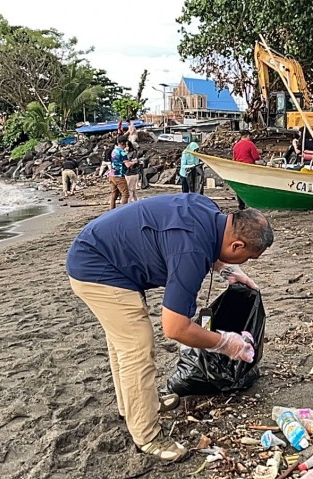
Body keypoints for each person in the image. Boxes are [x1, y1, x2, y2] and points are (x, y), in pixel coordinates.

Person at [66, 194, 274, 462]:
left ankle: (135, 407)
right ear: (236, 245)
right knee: (136, 349)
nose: (246, 262)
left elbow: (188, 238)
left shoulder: (208, 209)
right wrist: (226, 343)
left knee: (124, 342)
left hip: (99, 249)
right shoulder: (191, 253)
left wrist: (224, 268)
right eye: (248, 258)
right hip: (97, 269)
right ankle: (147, 436)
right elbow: (175, 327)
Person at [232, 130, 260, 209]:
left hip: (239, 169)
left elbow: (234, 159)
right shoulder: (250, 144)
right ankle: (252, 204)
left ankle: (241, 205)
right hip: (249, 169)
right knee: (251, 186)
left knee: (240, 187)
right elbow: (256, 157)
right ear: (248, 136)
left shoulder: (236, 146)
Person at [109, 137, 135, 209]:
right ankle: (122, 210)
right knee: (125, 194)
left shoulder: (114, 151)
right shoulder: (122, 152)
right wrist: (134, 162)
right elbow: (128, 165)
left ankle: (112, 210)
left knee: (114, 194)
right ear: (124, 143)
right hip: (119, 175)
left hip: (112, 174)